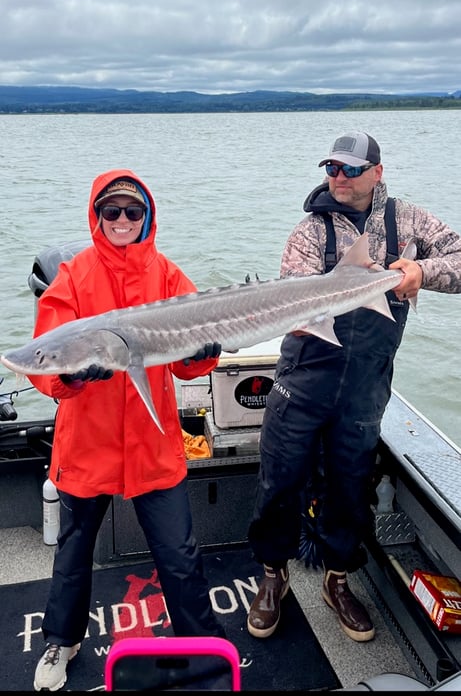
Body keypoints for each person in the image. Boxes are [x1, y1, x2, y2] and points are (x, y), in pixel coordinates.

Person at [247, 130, 461, 643]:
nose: (337, 178)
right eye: (331, 169)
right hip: (304, 378)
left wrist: (419, 270)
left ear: (377, 172)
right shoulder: (309, 231)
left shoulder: (408, 220)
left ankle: (337, 580)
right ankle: (273, 576)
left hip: (367, 384)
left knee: (350, 486)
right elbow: (294, 295)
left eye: (349, 169)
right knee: (280, 480)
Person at [29, 169, 224, 692]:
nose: (121, 220)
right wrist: (68, 377)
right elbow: (43, 356)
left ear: (147, 218)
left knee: (180, 555)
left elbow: (186, 365)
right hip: (86, 445)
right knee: (72, 554)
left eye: (131, 212)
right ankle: (61, 639)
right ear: (97, 216)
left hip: (152, 441)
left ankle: (202, 650)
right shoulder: (72, 277)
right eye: (110, 211)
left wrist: (202, 356)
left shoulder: (168, 276)